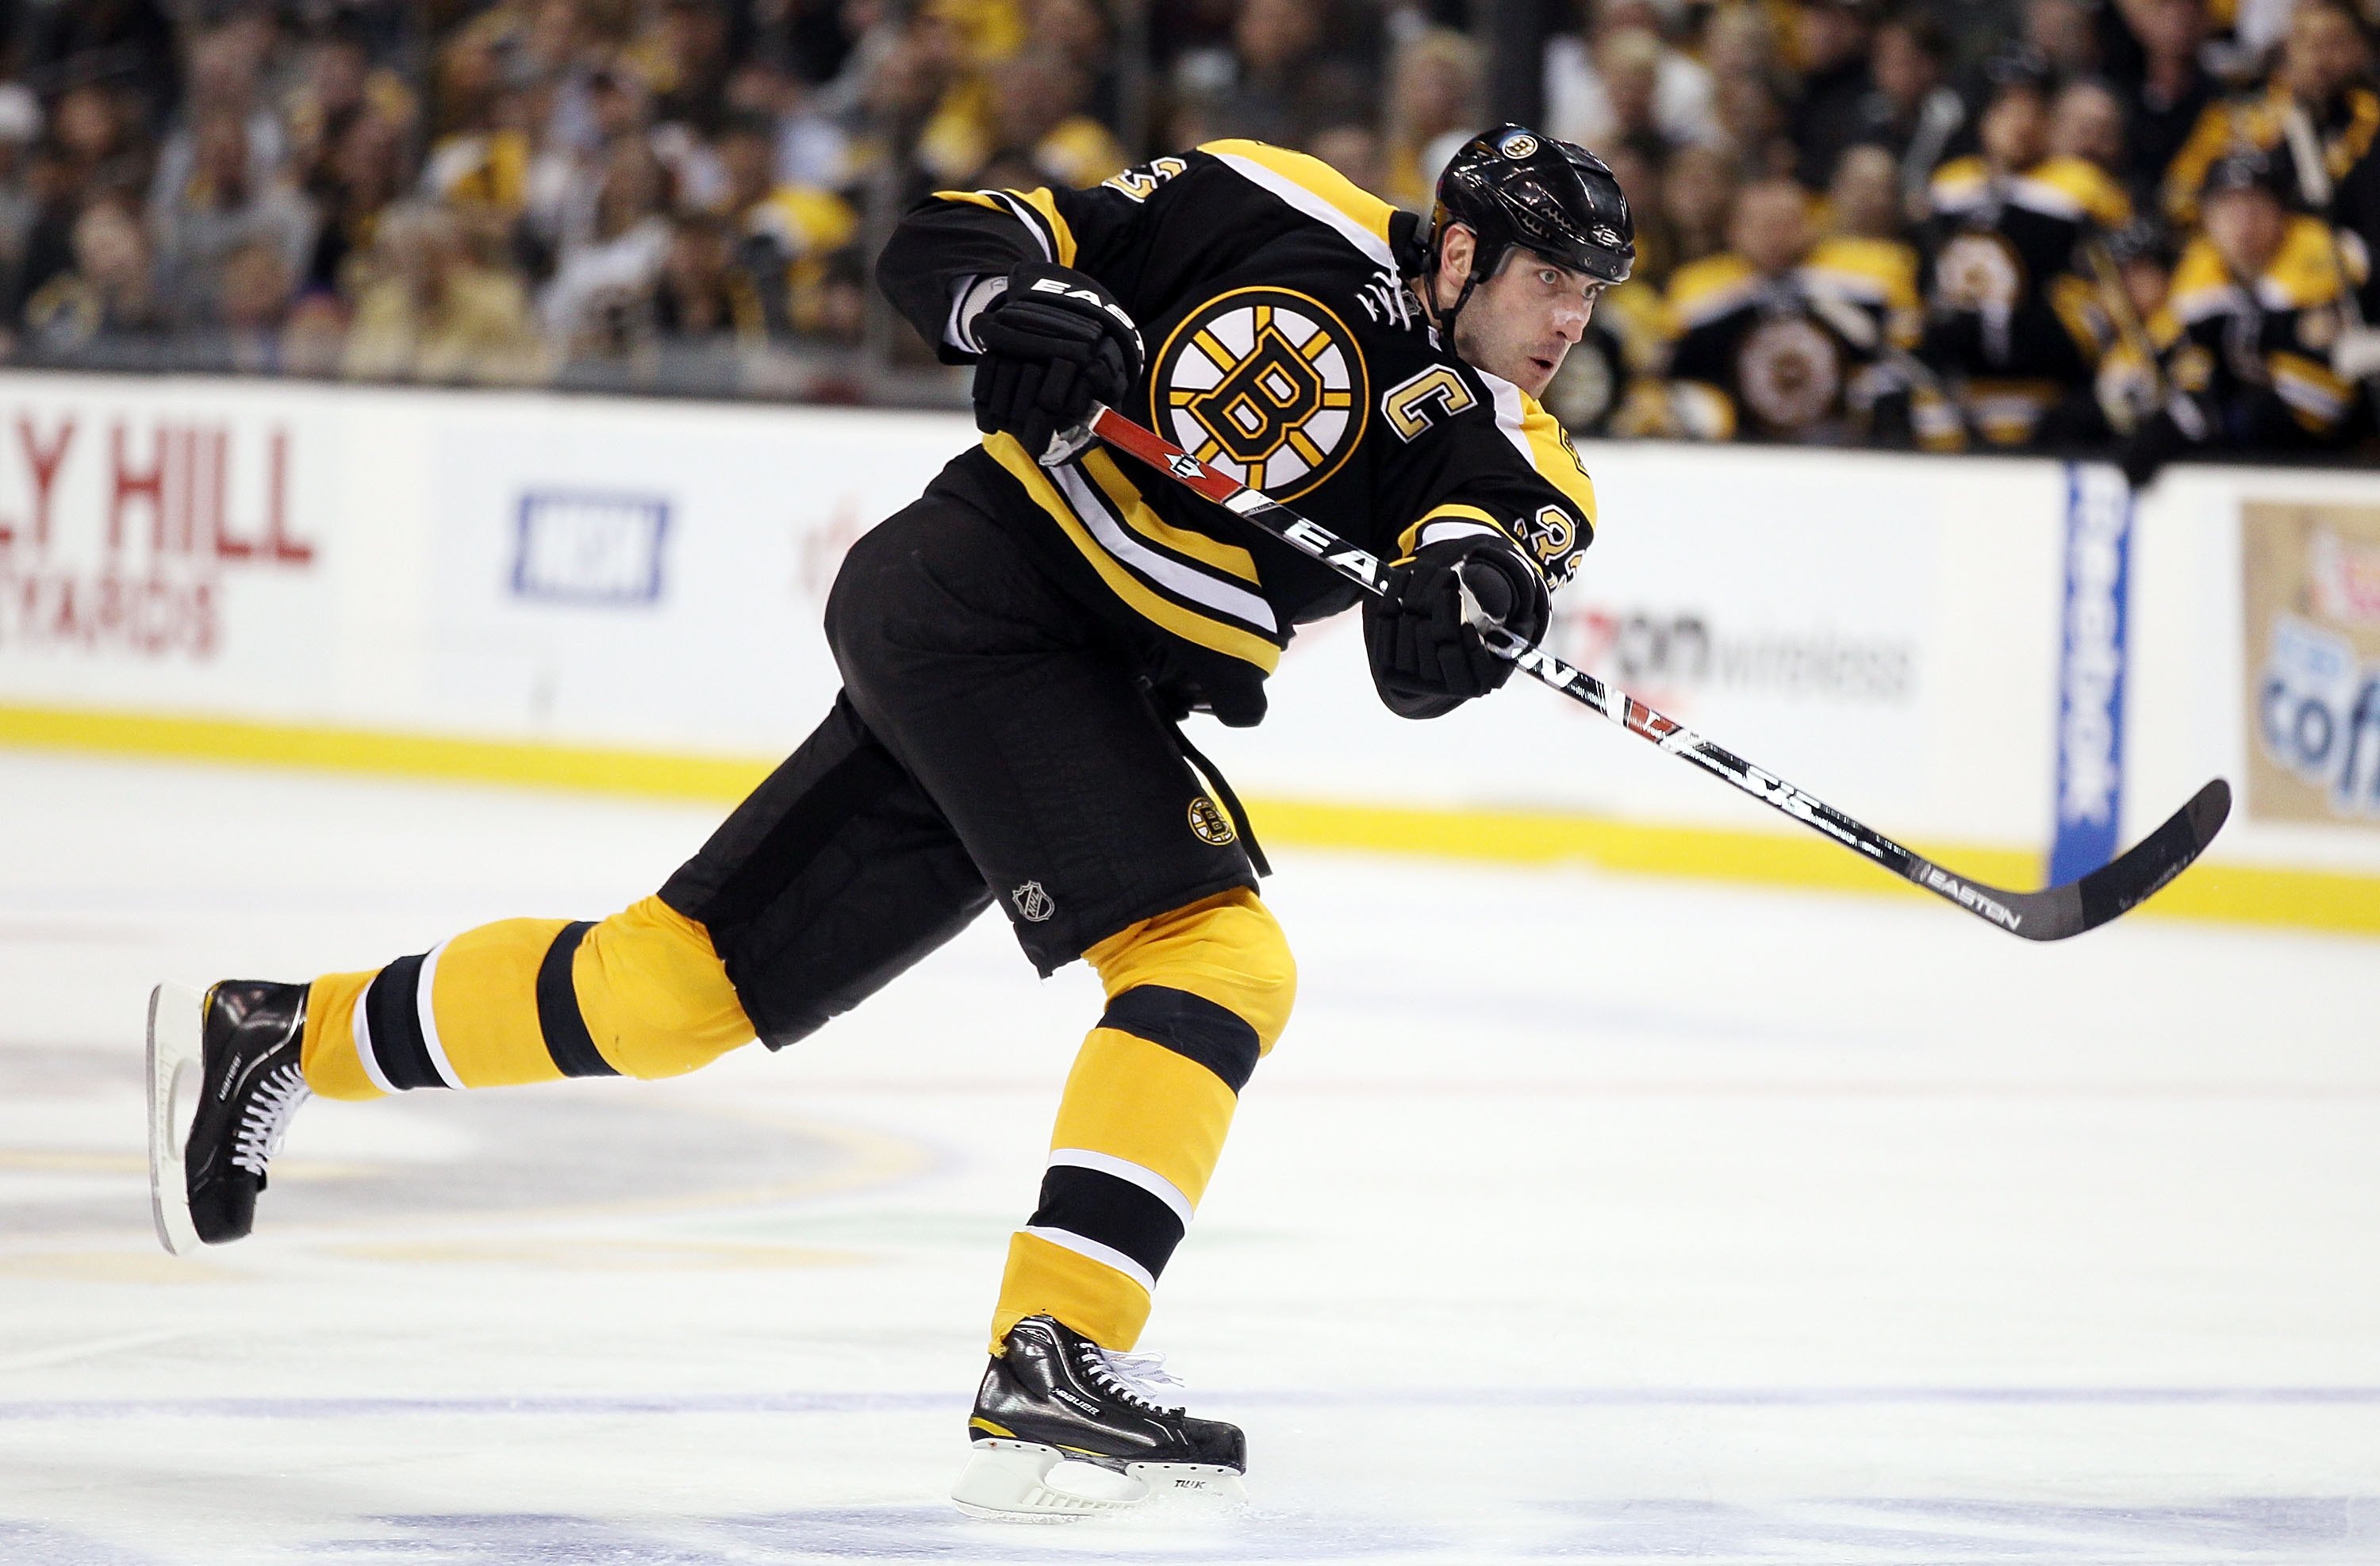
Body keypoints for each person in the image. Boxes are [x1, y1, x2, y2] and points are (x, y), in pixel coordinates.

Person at [147, 125, 1630, 1520]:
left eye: (1591, 294)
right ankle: (1052, 1352)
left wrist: (1471, 601)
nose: (1569, 321)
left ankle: (286, 1030)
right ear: (1456, 254)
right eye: (1550, 281)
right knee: (1217, 958)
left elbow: (1472, 572)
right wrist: (1015, 307)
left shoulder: (1526, 451)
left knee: (674, 991)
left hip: (1068, 676)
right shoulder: (1261, 199)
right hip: (980, 586)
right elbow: (959, 235)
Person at [1919, 51, 2133, 446]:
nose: (2022, 123)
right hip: (1957, 401)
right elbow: (1929, 288)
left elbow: (2121, 292)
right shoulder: (1949, 188)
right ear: (1983, 115)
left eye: (2035, 110)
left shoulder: (2083, 187)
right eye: (2007, 108)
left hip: (2051, 397)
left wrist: (2048, 335)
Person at [2121, 151, 2361, 483]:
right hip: (2263, 445)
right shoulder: (2202, 266)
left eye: (2256, 206)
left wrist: (2208, 410)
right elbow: (2165, 354)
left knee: (2255, 417)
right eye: (2227, 208)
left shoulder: (2321, 251)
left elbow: (2318, 406)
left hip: (2341, 448)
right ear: (2206, 218)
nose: (2242, 223)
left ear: (2282, 213)